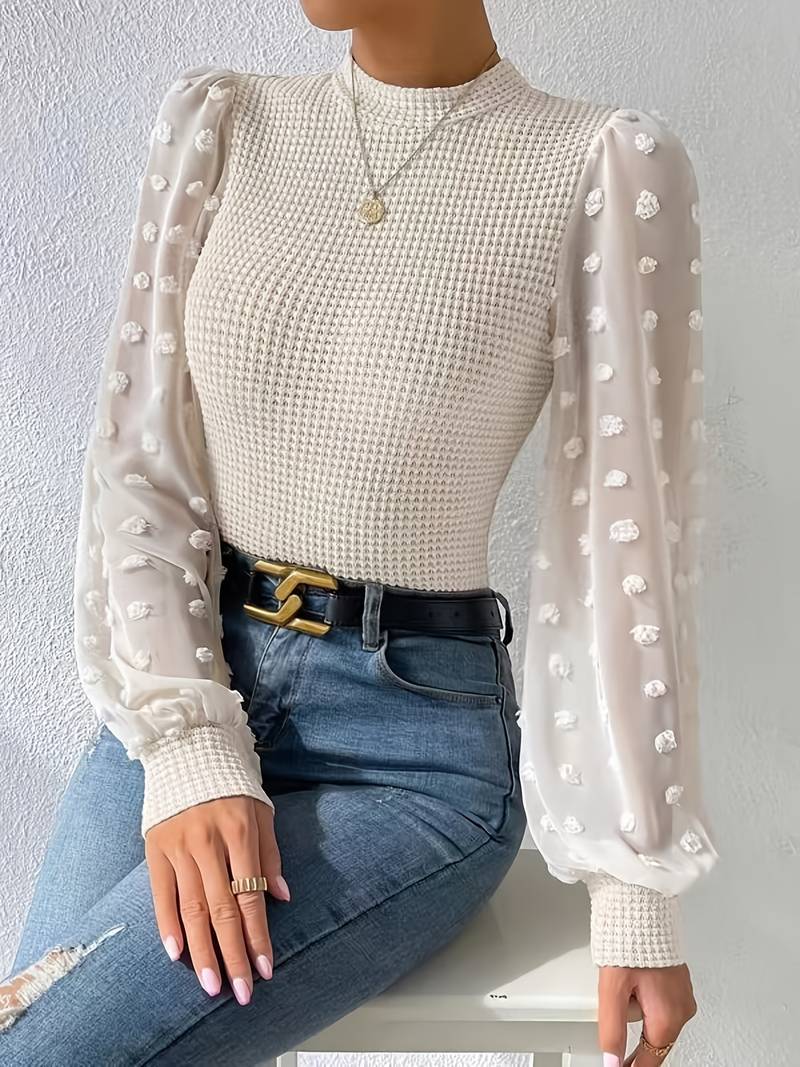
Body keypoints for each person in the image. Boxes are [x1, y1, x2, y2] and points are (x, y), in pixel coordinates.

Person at [2, 1, 719, 1063]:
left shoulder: (601, 165)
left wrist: (633, 888)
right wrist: (192, 743)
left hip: (413, 751)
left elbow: (622, 539)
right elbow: (142, 459)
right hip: (190, 682)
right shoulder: (220, 123)